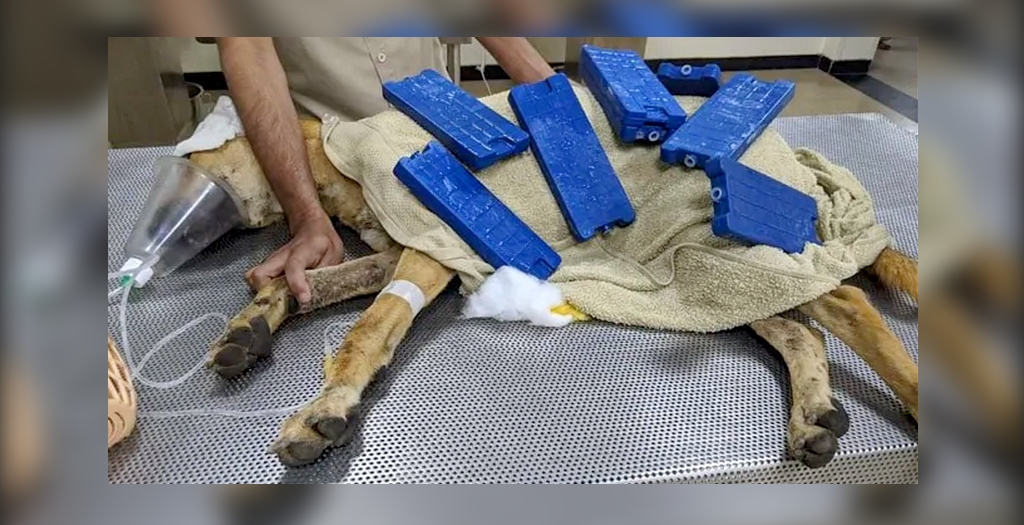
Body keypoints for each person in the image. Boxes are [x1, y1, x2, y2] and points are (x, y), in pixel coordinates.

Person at [215, 37, 556, 307]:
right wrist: (305, 216)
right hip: (332, 158)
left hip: (441, 137)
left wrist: (557, 99)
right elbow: (250, 51)